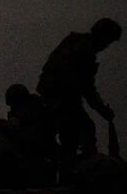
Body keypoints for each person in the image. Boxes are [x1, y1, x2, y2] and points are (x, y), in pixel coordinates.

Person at [36, 18, 121, 181]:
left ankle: (72, 175)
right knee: (77, 135)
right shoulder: (84, 50)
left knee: (77, 134)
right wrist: (102, 110)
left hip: (58, 97)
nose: (106, 46)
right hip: (62, 98)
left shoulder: (76, 43)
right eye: (108, 41)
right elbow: (85, 87)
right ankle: (75, 177)